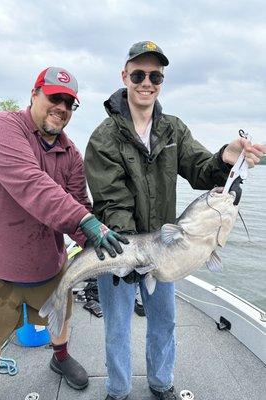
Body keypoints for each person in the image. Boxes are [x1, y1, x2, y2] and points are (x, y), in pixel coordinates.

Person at [84, 41, 266, 400]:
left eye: (155, 75)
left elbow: (200, 169)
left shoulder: (174, 130)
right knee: (117, 327)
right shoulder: (103, 137)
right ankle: (118, 390)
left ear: (161, 80)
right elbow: (111, 200)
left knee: (164, 322)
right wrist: (132, 252)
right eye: (138, 74)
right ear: (125, 77)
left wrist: (226, 158)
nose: (146, 82)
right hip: (119, 247)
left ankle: (161, 383)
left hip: (167, 247)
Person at [0, 66, 128, 400]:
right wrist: (86, 221)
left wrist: (105, 248)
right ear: (34, 94)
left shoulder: (71, 154)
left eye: (70, 103)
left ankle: (61, 358)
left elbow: (78, 204)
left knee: (61, 312)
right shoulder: (2, 128)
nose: (62, 108)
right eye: (55, 97)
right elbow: (30, 184)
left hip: (46, 262)